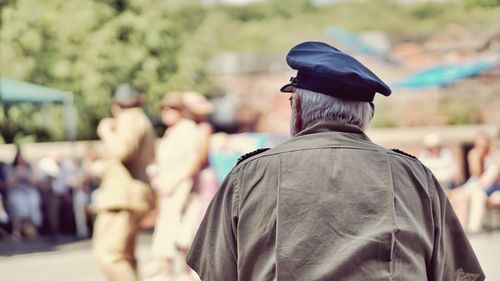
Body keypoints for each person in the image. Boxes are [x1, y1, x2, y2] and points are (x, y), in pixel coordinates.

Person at [186, 42, 484, 281]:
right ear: (367, 116)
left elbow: (215, 270)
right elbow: (459, 273)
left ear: (298, 108)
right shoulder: (415, 177)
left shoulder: (248, 176)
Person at [147, 91, 213, 281]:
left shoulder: (188, 129)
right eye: (164, 108)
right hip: (167, 191)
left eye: (172, 108)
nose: (167, 112)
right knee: (167, 238)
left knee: (181, 240)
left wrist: (175, 184)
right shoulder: (171, 131)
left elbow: (193, 162)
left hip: (183, 191)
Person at [93, 84, 156, 281]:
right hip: (130, 194)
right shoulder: (140, 119)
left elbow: (123, 150)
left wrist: (105, 131)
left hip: (122, 196)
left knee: (110, 255)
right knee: (125, 256)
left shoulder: (129, 118)